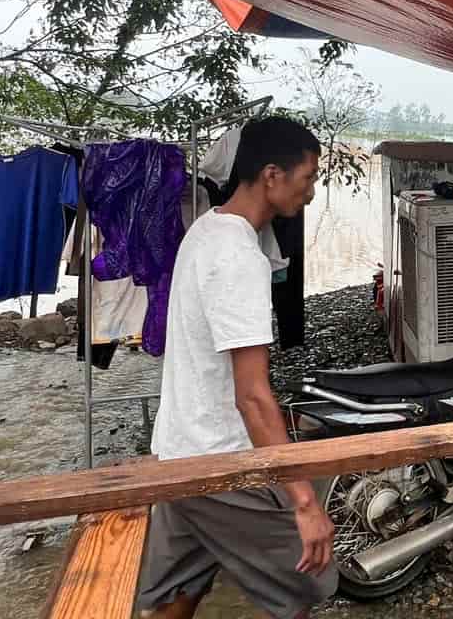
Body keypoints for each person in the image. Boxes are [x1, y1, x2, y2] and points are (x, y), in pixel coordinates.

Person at [137, 116, 336, 619]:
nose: (310, 192)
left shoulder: (205, 231)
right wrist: (304, 502)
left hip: (178, 450)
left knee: (178, 593)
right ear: (272, 175)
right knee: (305, 578)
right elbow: (252, 394)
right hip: (219, 463)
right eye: (308, 177)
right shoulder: (238, 256)